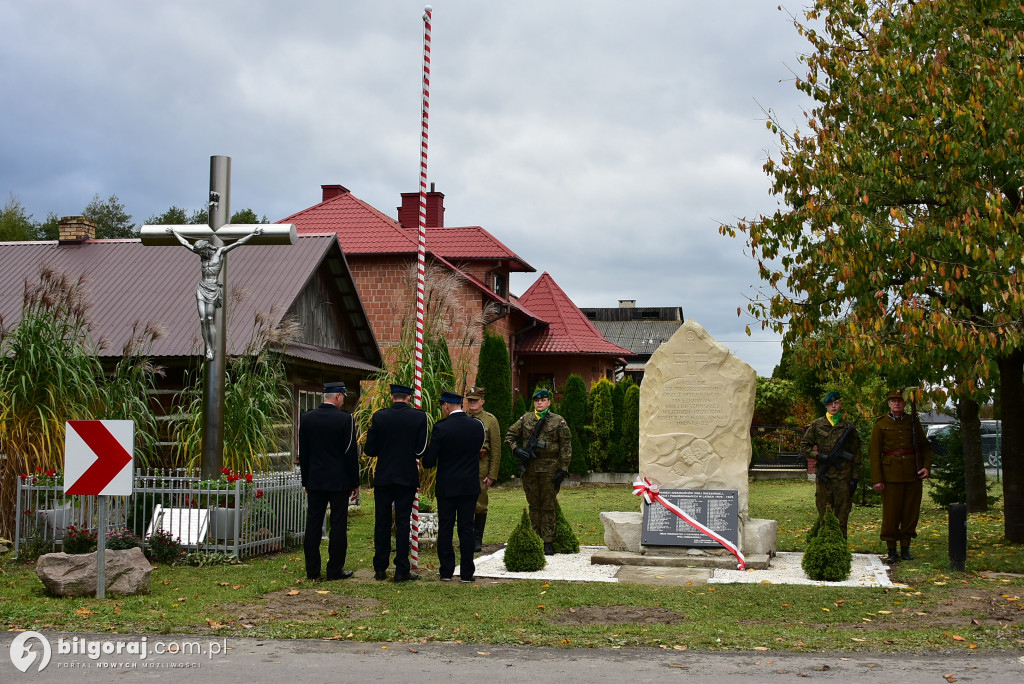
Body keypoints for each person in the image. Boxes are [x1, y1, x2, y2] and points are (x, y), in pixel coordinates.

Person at [167, 225, 263, 360]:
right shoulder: (201, 255)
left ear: (206, 248)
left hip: (212, 289)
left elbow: (238, 242)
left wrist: (253, 234)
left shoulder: (219, 252)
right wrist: (174, 232)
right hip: (201, 287)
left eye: (202, 252)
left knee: (210, 318)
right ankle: (208, 347)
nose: (201, 254)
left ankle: (213, 348)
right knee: (202, 319)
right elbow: (184, 243)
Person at [364, 384, 429, 582]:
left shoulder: (379, 416)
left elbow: (370, 449)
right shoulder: (419, 417)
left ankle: (380, 568)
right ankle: (402, 569)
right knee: (403, 522)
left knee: (381, 522)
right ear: (409, 398)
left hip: (384, 476)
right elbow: (421, 450)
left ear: (392, 397)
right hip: (406, 476)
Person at [298, 381, 359, 581]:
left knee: (313, 524)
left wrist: (305, 480)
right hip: (338, 481)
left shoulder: (307, 419)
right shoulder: (346, 419)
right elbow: (350, 453)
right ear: (338, 396)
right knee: (338, 525)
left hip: (315, 479)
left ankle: (312, 570)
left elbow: (303, 454)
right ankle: (334, 569)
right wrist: (354, 482)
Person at [423, 391, 485, 582]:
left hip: (447, 486)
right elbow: (479, 449)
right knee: (467, 528)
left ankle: (446, 571)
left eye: (442, 406)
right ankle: (467, 573)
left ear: (447, 406)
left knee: (446, 527)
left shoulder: (442, 428)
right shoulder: (477, 426)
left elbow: (429, 461)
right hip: (469, 485)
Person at [504, 388, 572, 555]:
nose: (539, 403)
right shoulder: (526, 419)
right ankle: (535, 538)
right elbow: (509, 435)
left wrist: (563, 469)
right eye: (536, 400)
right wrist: (516, 450)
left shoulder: (558, 421)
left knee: (548, 505)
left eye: (543, 400)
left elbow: (566, 446)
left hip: (550, 469)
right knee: (534, 505)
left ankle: (548, 541)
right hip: (531, 469)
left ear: (549, 402)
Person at [869, 388, 933, 565]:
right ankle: (891, 549)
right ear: (889, 404)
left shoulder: (912, 422)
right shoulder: (880, 424)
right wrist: (877, 479)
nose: (897, 403)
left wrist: (926, 467)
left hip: (913, 474)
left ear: (905, 403)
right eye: (893, 400)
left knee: (910, 512)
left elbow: (926, 447)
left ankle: (905, 547)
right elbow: (874, 454)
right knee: (891, 514)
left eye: (900, 400)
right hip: (890, 476)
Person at [800, 390, 862, 539]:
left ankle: (840, 547)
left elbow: (857, 454)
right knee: (824, 515)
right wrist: (819, 456)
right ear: (826, 406)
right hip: (824, 478)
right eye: (830, 404)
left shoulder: (849, 428)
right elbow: (804, 446)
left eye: (836, 403)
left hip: (843, 478)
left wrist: (855, 478)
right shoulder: (817, 425)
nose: (833, 406)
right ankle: (825, 546)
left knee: (842, 515)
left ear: (840, 405)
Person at [464, 386, 502, 552]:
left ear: (482, 401)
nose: (472, 403)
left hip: (481, 467)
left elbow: (496, 449)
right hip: (464, 466)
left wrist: (492, 474)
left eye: (475, 400)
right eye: (470, 400)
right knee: (465, 503)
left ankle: (477, 538)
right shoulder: (463, 418)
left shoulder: (490, 420)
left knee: (480, 503)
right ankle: (467, 536)